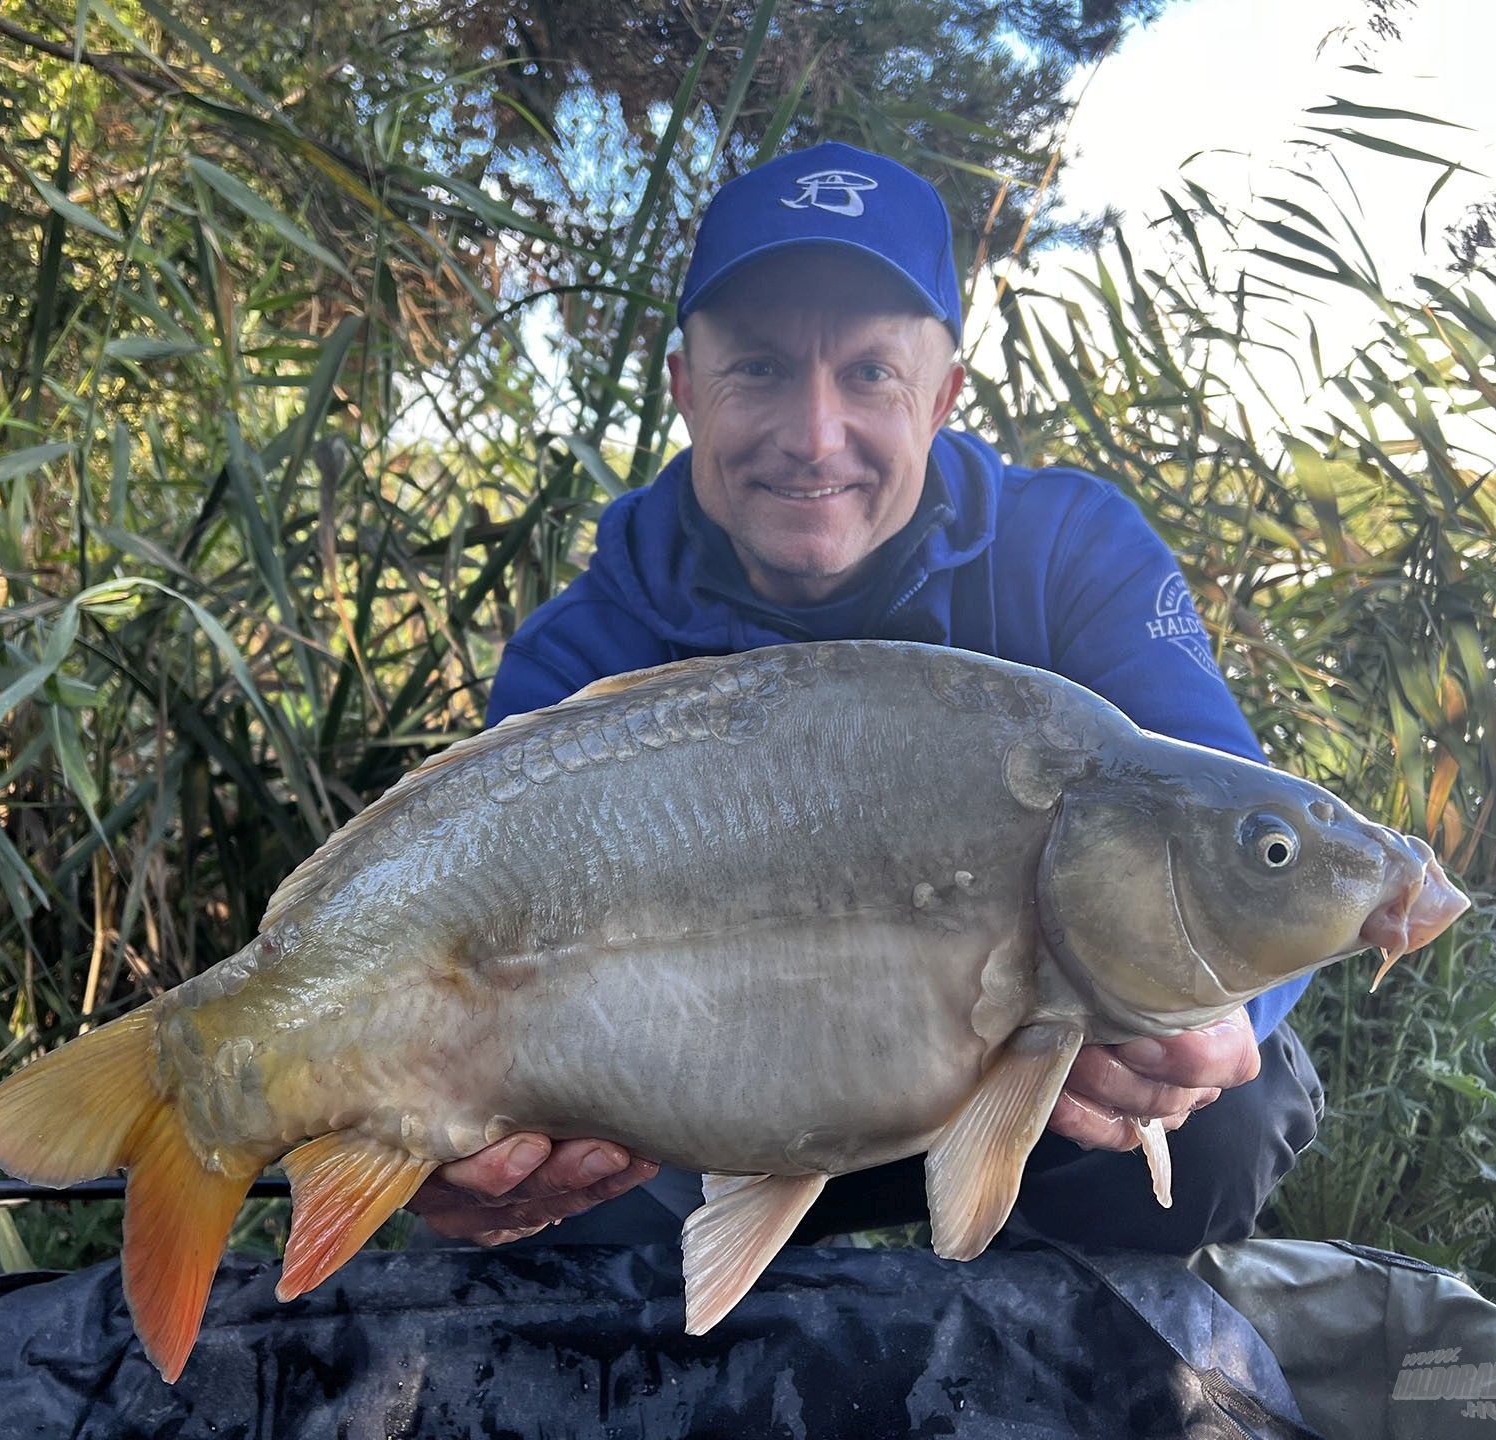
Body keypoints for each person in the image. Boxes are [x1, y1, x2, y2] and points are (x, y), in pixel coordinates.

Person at [405, 141, 1325, 1257]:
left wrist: (1224, 1025)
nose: (814, 435)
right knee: (548, 1224)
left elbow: (1236, 839)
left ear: (944, 395)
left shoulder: (1071, 553)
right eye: (758, 369)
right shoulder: (581, 655)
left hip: (1021, 1096)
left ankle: (1023, 1383)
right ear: (685, 388)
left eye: (870, 375)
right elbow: (460, 969)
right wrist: (438, 1152)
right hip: (690, 1121)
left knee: (1234, 1111)